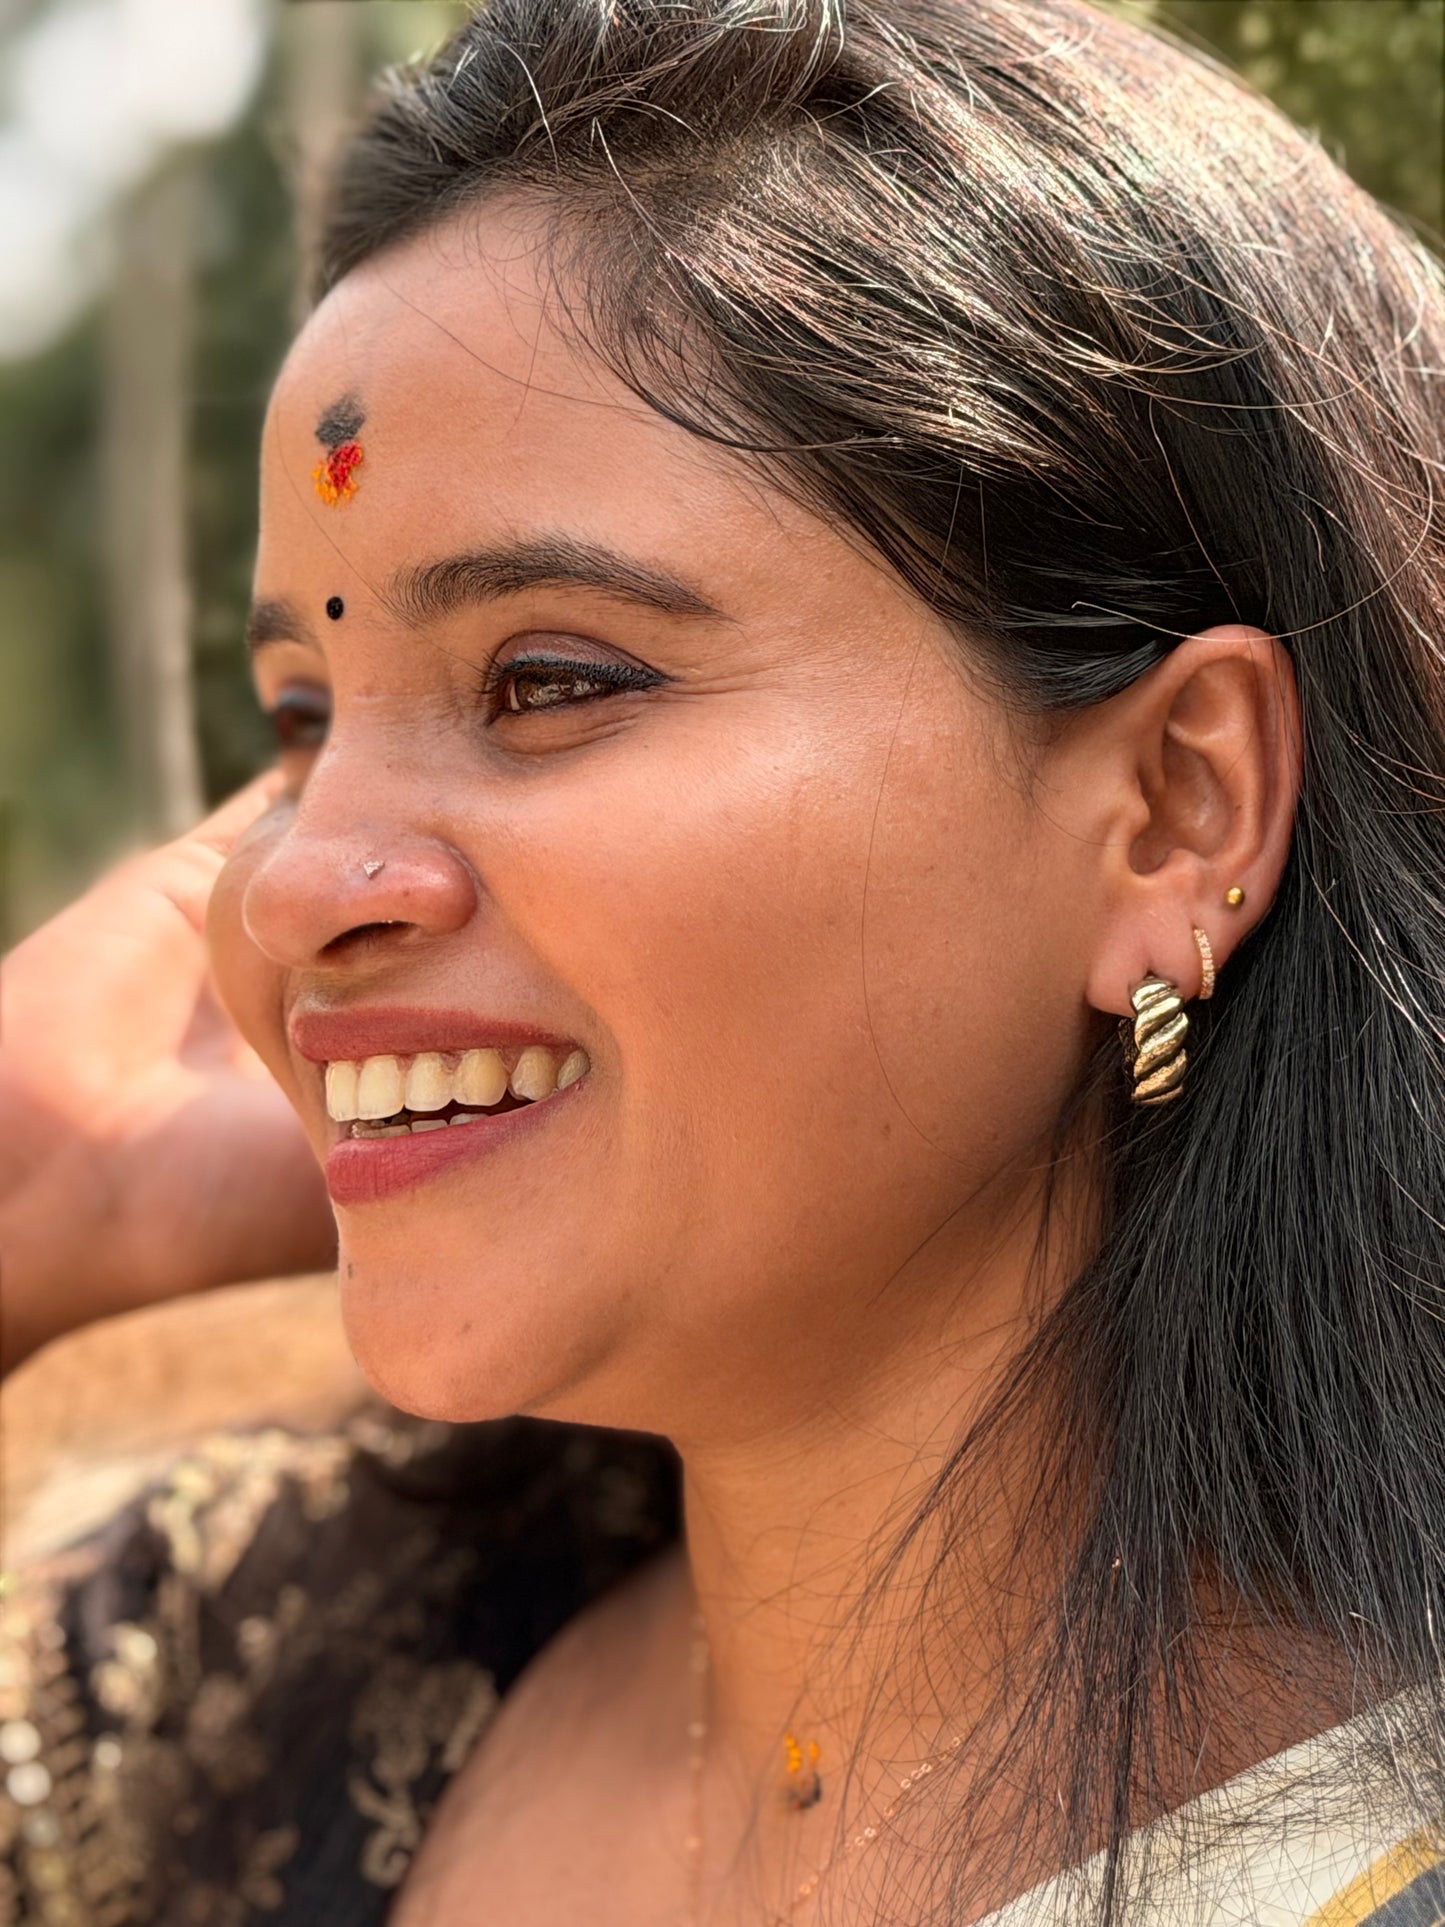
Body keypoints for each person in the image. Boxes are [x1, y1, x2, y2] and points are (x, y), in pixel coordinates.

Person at [3, 0, 1444, 1920]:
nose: (292, 888)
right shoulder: (211, 1688)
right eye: (300, 719)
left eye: (548, 680)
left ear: (1175, 808)